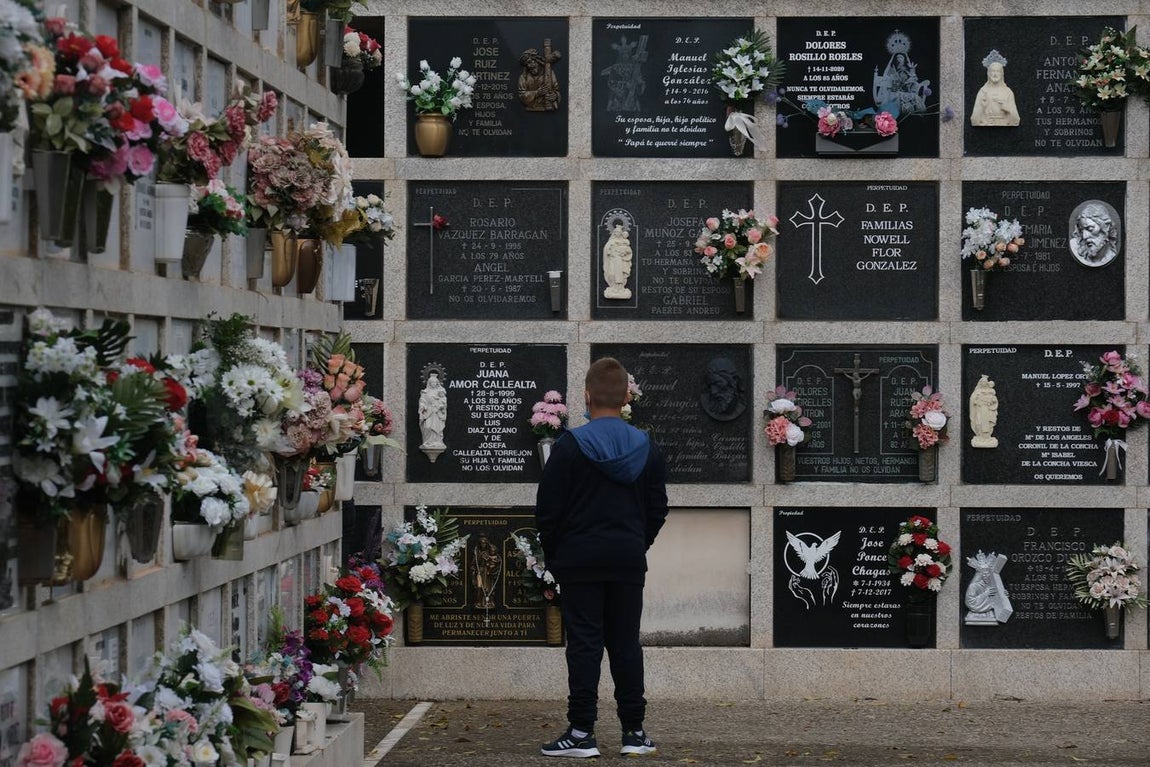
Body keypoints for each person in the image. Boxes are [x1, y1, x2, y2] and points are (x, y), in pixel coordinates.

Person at [535, 357, 668, 758]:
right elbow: (657, 509)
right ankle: (634, 732)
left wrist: (559, 557)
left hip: (579, 560)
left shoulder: (569, 447)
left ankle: (581, 733)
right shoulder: (648, 448)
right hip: (627, 560)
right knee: (626, 642)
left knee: (585, 644)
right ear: (627, 397)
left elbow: (548, 512)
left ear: (587, 397)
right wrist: (634, 544)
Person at [970, 52, 1020, 127]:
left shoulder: (1008, 92)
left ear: (1001, 74)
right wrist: (982, 107)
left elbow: (1016, 120)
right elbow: (974, 120)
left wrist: (1008, 109)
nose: (995, 74)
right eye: (992, 71)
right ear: (988, 73)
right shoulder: (983, 92)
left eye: (997, 71)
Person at [1069, 202, 1120, 267]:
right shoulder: (1075, 247)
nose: (1084, 236)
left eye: (1090, 229)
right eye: (1081, 231)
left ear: (1106, 227)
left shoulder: (1111, 255)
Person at [518, 47, 562, 111]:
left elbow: (556, 90)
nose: (529, 65)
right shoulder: (523, 77)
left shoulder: (549, 73)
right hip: (531, 109)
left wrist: (555, 96)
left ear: (537, 61)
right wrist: (537, 93)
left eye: (531, 62)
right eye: (527, 64)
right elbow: (522, 95)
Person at [602, 224, 633, 299]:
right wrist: (610, 252)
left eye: (619, 232)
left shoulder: (624, 241)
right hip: (612, 260)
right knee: (612, 274)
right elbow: (606, 250)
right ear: (614, 233)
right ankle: (613, 287)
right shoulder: (611, 241)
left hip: (620, 261)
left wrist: (623, 252)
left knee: (620, 275)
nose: (618, 234)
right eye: (616, 232)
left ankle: (620, 288)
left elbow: (628, 251)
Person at [418, 373, 447, 450]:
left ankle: (437, 441)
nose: (433, 384)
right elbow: (422, 401)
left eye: (435, 382)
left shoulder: (440, 392)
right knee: (428, 427)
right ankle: (428, 442)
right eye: (432, 382)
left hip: (437, 413)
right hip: (428, 412)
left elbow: (443, 403)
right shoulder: (425, 392)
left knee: (437, 427)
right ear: (429, 383)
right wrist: (423, 406)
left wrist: (441, 406)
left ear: (437, 383)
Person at [968, 375, 998, 448]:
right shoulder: (977, 391)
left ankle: (987, 437)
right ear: (980, 383)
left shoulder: (991, 391)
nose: (984, 383)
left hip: (987, 410)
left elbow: (994, 400)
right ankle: (980, 436)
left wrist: (991, 401)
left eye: (985, 382)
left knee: (988, 423)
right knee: (979, 422)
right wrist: (976, 401)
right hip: (980, 409)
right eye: (982, 382)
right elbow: (972, 400)